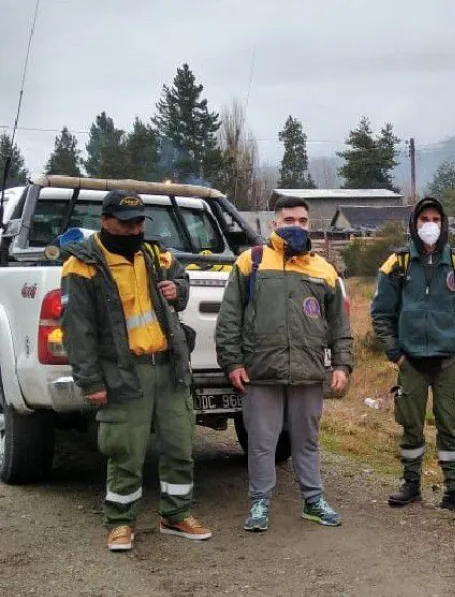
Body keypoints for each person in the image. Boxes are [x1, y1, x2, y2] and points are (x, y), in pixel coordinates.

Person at [61, 190, 211, 552]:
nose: (134, 229)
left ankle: (176, 515)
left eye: (140, 222)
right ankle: (120, 522)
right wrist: (91, 381)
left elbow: (182, 282)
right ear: (105, 221)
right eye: (126, 223)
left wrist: (177, 289)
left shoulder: (156, 254)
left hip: (169, 367)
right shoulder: (82, 266)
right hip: (124, 373)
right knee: (125, 451)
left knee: (179, 445)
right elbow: (77, 331)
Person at [215, 195, 354, 532]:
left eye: (302, 221)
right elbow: (229, 318)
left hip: (308, 371)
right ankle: (259, 503)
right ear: (274, 223)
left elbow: (340, 324)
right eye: (289, 220)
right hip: (262, 372)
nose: (296, 226)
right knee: (262, 442)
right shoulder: (252, 262)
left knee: (307, 441)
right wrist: (232, 362)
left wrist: (341, 364)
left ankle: (313, 501)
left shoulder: (323, 269)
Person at [370, 197, 455, 515]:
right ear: (414, 224)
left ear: (444, 223)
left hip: (449, 362)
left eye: (435, 219)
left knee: (449, 425)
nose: (430, 225)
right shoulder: (398, 263)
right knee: (411, 425)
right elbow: (381, 313)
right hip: (411, 362)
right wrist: (396, 353)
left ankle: (454, 491)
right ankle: (411, 484)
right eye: (424, 219)